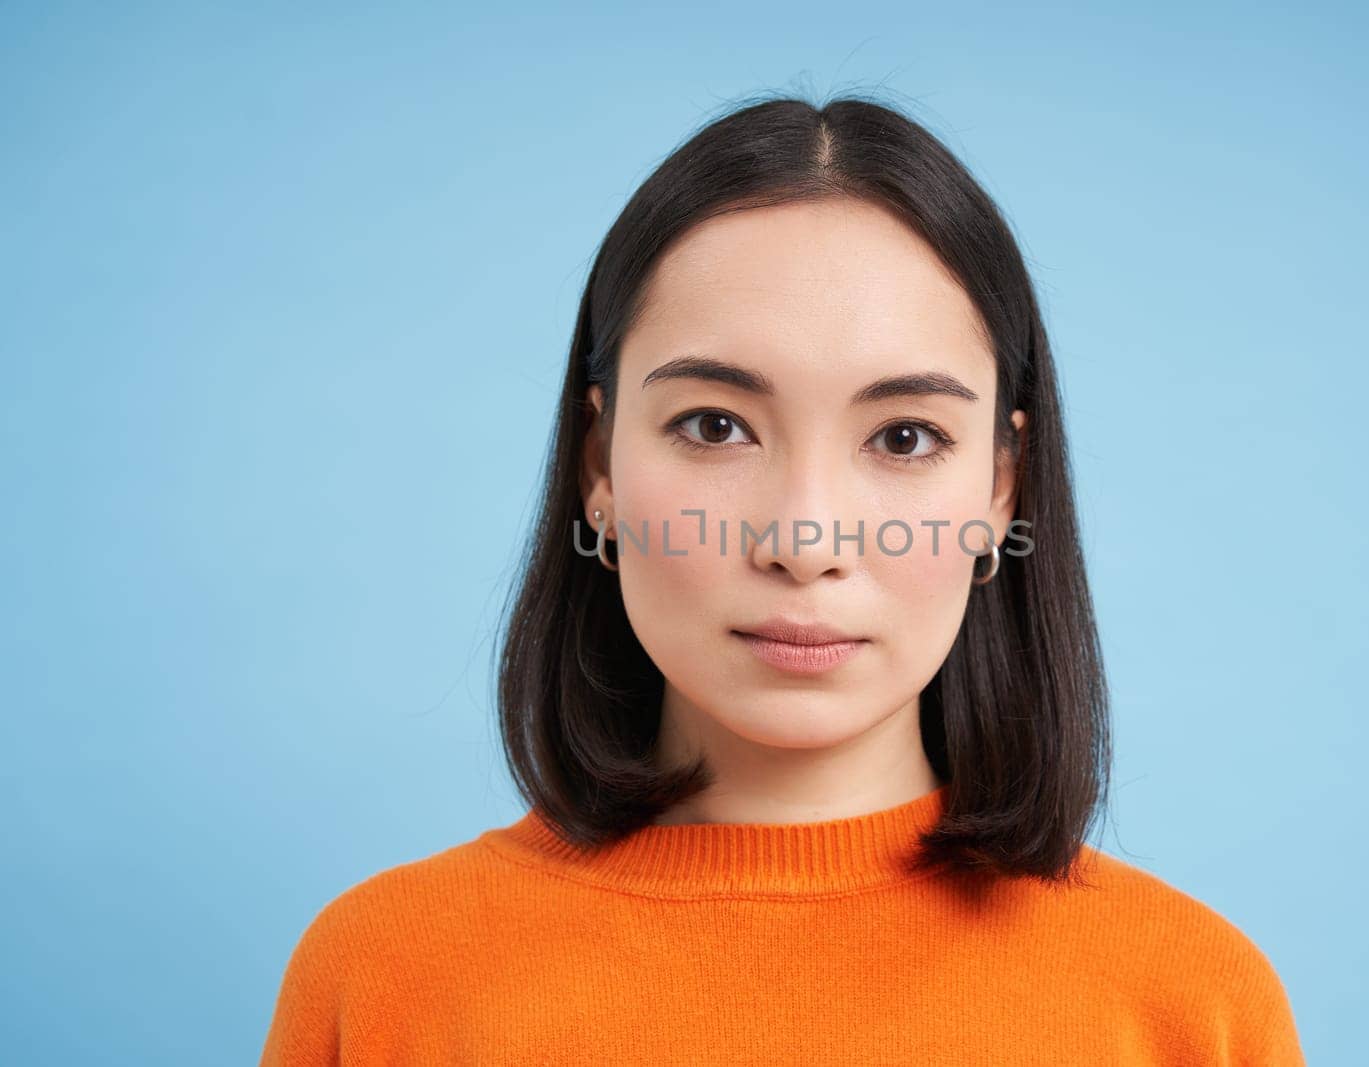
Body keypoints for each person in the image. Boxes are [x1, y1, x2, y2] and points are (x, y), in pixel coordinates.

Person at [259, 93, 1306, 1065]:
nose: (804, 539)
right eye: (713, 425)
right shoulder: (386, 975)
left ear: (999, 489)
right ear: (600, 470)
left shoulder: (1188, 1005)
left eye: (903, 435)